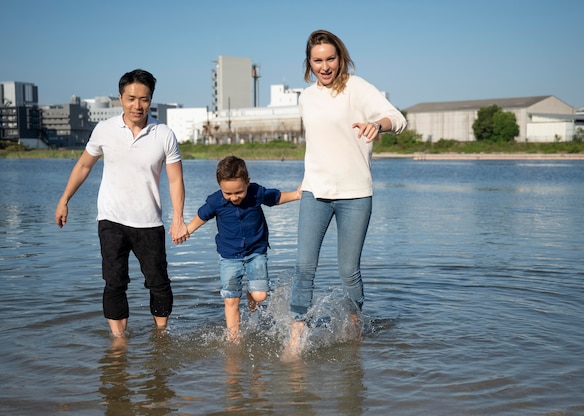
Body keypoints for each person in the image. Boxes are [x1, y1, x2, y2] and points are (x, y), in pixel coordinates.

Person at [285, 30, 407, 357]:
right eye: (318, 60)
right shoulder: (306, 97)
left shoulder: (357, 87)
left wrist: (377, 125)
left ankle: (354, 325)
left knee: (348, 270)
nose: (325, 67)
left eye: (331, 59)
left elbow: (399, 118)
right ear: (309, 63)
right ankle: (297, 336)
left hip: (355, 193)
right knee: (304, 265)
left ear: (340, 57)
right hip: (315, 191)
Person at [55, 69, 188, 339]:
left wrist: (178, 218)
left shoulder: (163, 134)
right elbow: (83, 165)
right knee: (114, 282)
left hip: (149, 222)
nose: (137, 105)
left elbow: (175, 180)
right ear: (120, 98)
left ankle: (161, 334)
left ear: (151, 100)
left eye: (144, 99)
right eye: (131, 98)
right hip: (111, 220)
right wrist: (64, 199)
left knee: (159, 283)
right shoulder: (104, 129)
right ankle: (118, 342)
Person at [185, 155, 301, 341]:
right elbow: (202, 216)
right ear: (220, 187)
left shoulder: (256, 193)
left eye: (238, 192)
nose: (234, 198)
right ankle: (234, 337)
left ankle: (250, 291)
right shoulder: (216, 201)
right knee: (231, 298)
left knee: (260, 296)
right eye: (228, 193)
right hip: (229, 257)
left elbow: (276, 198)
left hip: (256, 253)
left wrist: (296, 195)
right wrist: (187, 230)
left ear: (248, 182)